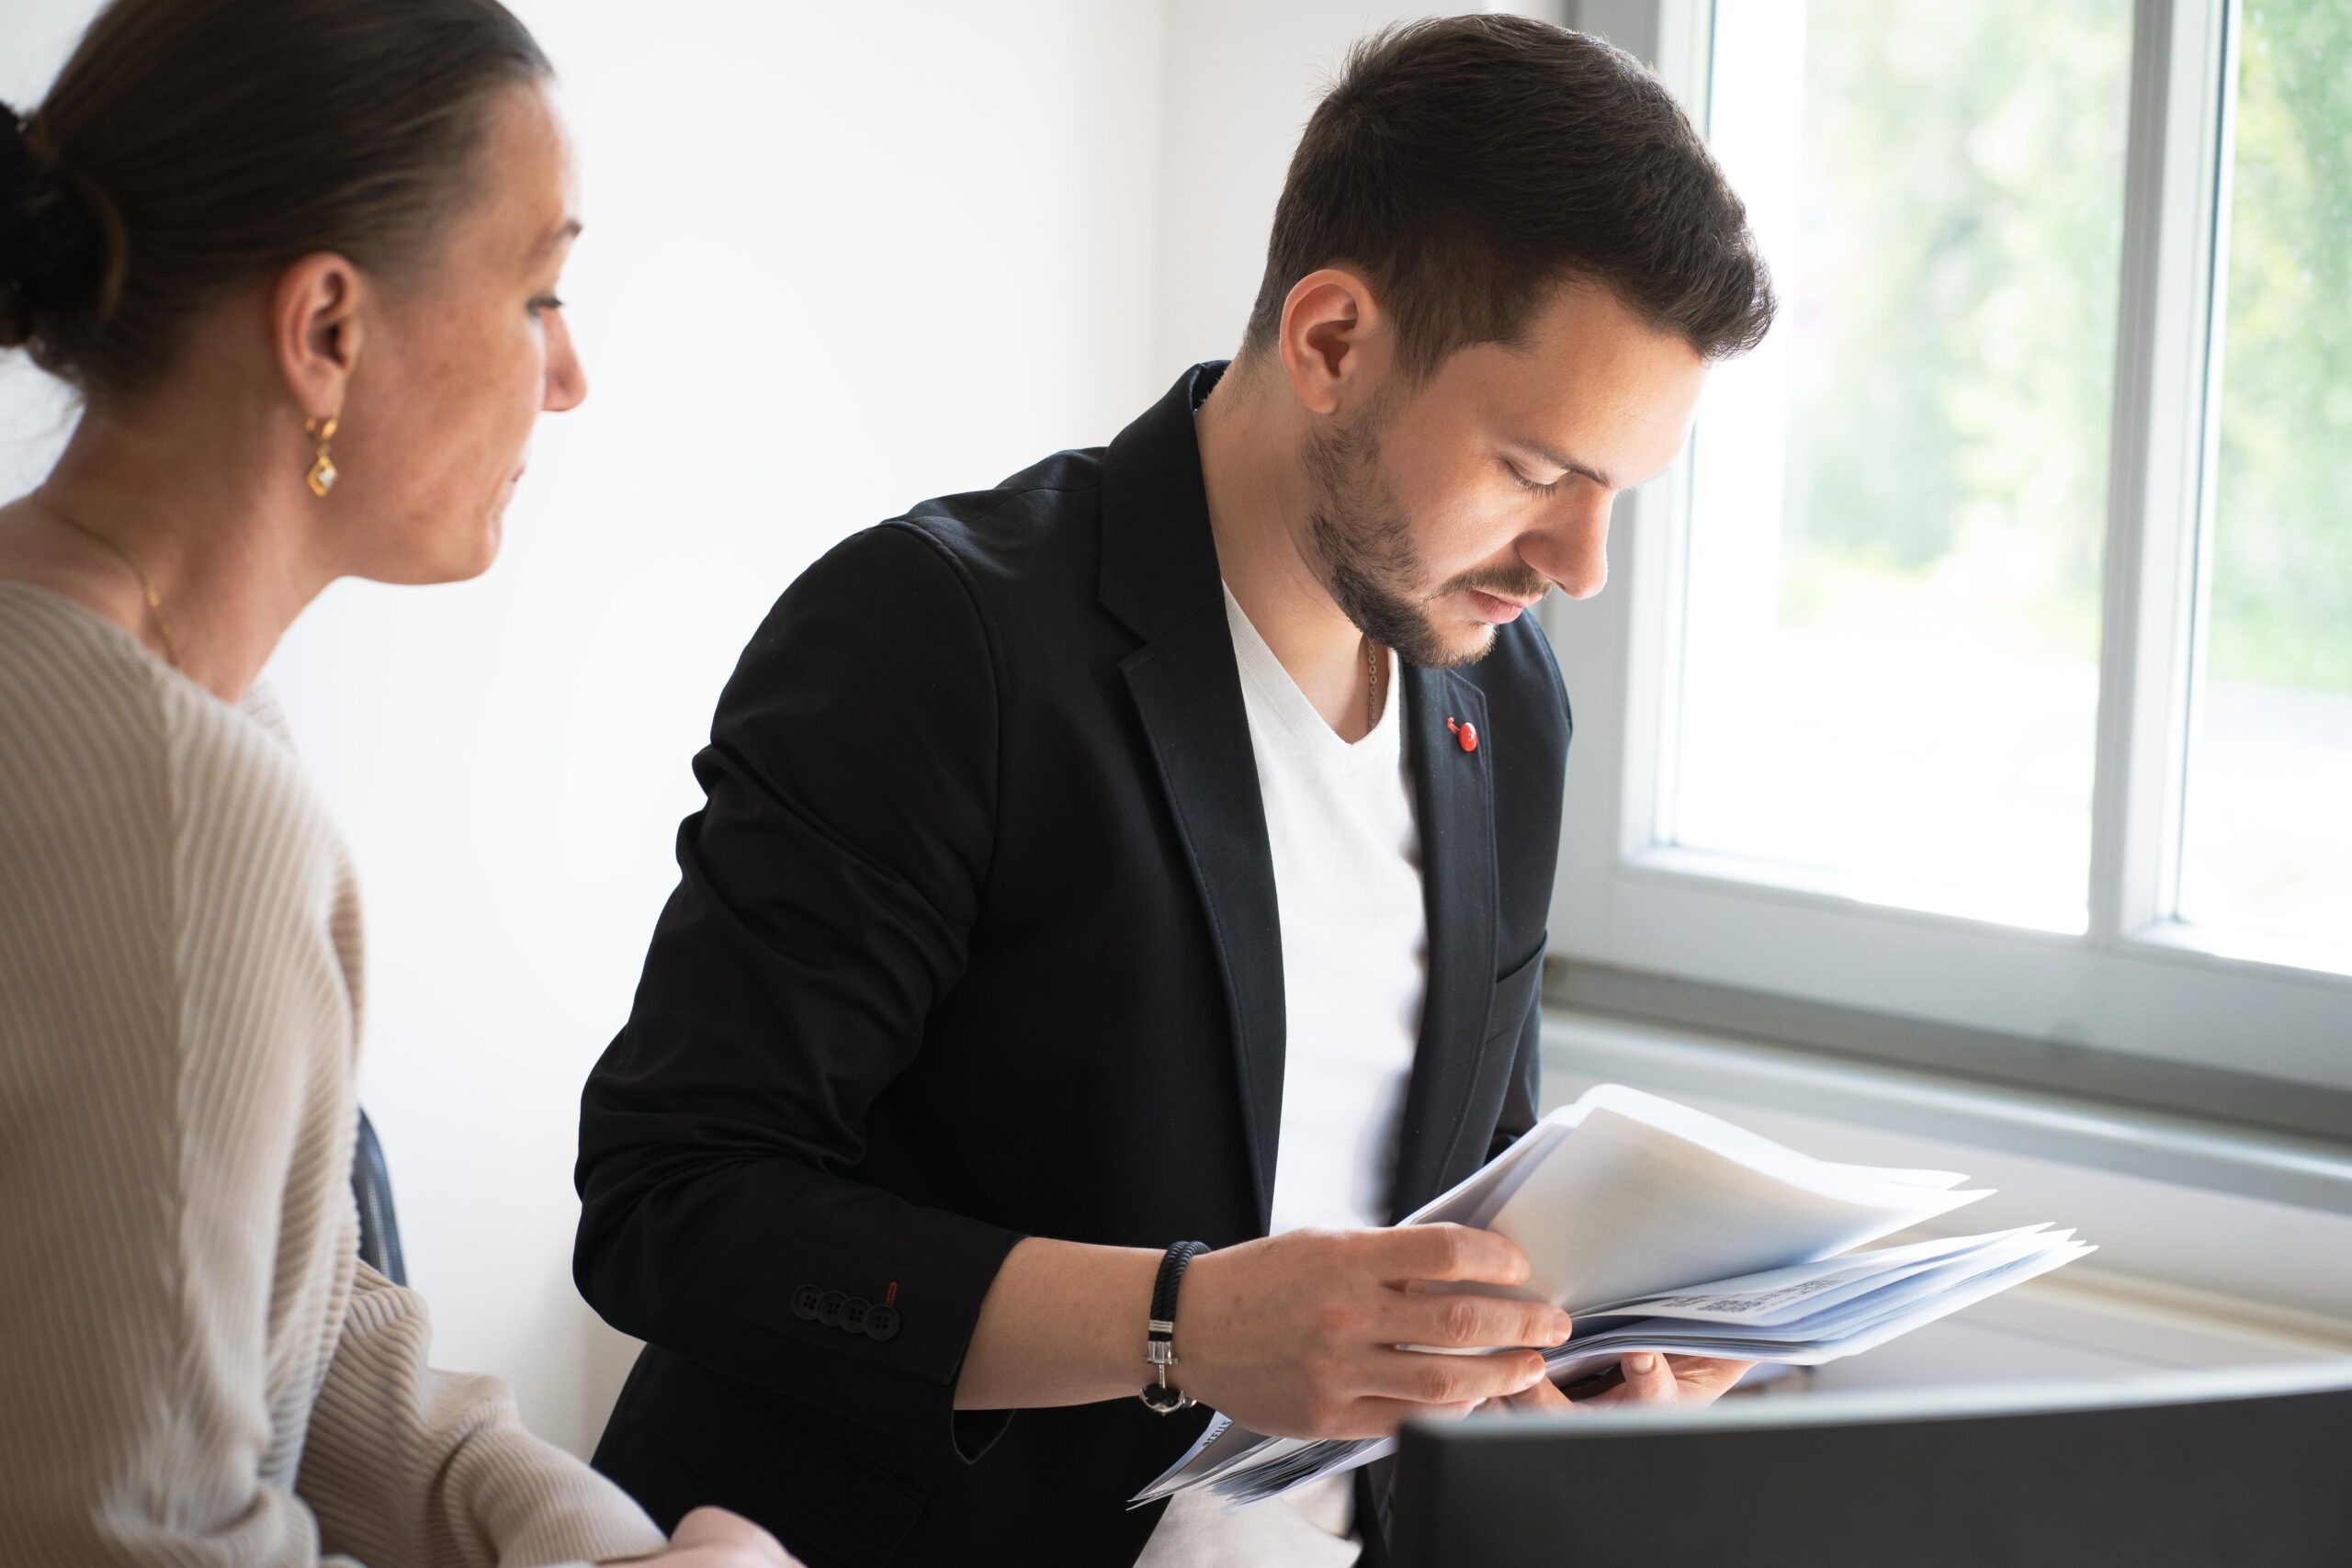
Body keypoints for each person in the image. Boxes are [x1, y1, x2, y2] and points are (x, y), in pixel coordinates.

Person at [573, 16, 1774, 1567]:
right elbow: (672, 1208)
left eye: (1618, 493)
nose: (1583, 565)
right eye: (1539, 472)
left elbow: (1453, 1217)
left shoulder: (1504, 698)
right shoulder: (941, 639)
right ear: (1331, 341)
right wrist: (1178, 1326)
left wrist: (1564, 1370)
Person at [0, 3, 797, 1564]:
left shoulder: (173, 705)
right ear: (326, 331)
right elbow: (134, 1540)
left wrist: (600, 1547)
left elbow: (292, 1310)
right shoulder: (172, 805)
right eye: (539, 292)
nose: (567, 376)